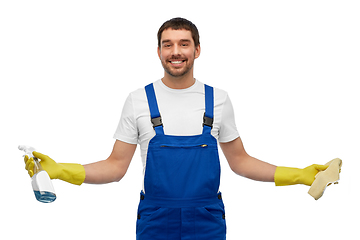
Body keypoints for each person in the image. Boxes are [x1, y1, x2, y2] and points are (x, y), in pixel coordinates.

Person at [24, 17, 330, 240]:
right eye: (167, 44)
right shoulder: (138, 100)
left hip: (207, 220)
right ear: (158, 51)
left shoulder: (218, 100)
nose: (176, 51)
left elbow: (241, 161)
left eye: (184, 44)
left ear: (197, 50)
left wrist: (299, 175)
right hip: (156, 220)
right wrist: (60, 170)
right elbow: (115, 167)